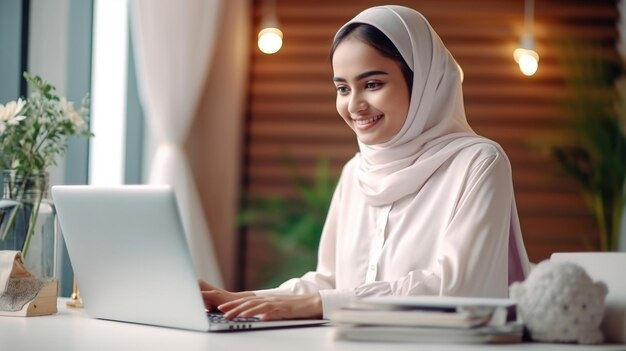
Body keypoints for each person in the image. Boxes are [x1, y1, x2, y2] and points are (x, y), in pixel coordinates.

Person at [200, 5, 530, 321]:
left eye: (372, 84)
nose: (354, 105)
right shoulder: (355, 172)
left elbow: (457, 289)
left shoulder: (479, 163)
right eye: (343, 88)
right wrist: (242, 300)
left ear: (423, 83)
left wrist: (321, 304)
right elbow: (329, 284)